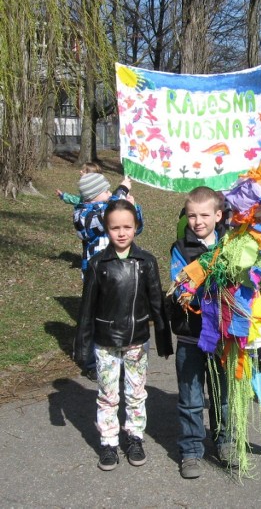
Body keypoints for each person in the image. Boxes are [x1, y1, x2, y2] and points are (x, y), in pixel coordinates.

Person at [74, 199, 173, 471]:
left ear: (136, 227)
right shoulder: (97, 264)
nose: (121, 232)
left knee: (136, 393)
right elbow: (86, 309)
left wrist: (164, 340)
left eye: (127, 226)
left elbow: (157, 303)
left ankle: (134, 437)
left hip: (137, 341)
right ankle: (108, 441)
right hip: (105, 343)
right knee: (108, 394)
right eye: (115, 227)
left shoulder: (146, 262)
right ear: (106, 229)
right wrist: (81, 347)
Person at [169, 187, 232, 479]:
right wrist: (194, 289)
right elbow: (179, 285)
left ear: (218, 216)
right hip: (190, 336)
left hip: (223, 337)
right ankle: (191, 450)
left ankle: (225, 442)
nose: (198, 221)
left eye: (205, 215)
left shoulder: (231, 246)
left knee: (223, 394)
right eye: (192, 215)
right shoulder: (180, 249)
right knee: (191, 397)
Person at [73, 173, 144, 381]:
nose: (108, 193)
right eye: (105, 191)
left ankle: (118, 354)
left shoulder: (108, 208)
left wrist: (132, 207)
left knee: (117, 313)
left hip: (120, 274)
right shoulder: (83, 215)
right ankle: (90, 361)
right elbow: (103, 217)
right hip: (96, 275)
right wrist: (120, 192)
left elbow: (136, 227)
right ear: (93, 195)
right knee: (96, 316)